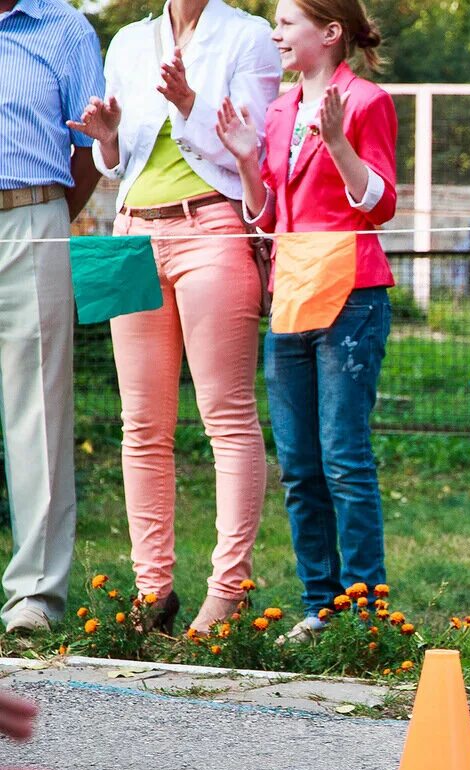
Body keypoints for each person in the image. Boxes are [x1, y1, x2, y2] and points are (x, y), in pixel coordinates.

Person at [70, 0, 281, 634]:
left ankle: (229, 588)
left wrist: (189, 105)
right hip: (133, 233)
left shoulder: (248, 37)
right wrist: (107, 139)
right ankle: (152, 592)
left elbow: (256, 149)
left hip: (212, 225)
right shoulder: (130, 41)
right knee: (142, 425)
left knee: (228, 417)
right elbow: (118, 162)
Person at [215, 0, 397, 642]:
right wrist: (243, 159)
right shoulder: (278, 110)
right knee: (298, 461)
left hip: (353, 295)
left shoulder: (366, 101)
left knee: (344, 457)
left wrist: (341, 144)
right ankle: (320, 608)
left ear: (330, 32)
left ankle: (368, 614)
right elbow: (265, 217)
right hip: (291, 294)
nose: (275, 33)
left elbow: (381, 206)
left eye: (286, 22)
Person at [0, 0, 103, 636]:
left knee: (38, 406)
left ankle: (35, 595)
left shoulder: (64, 28)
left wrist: (46, 219)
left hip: (33, 216)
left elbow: (90, 149)